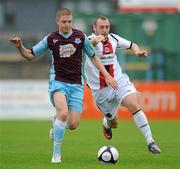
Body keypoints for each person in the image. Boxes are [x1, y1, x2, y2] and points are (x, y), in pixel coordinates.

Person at [10, 9, 118, 163]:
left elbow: (94, 57)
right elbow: (30, 55)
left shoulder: (80, 37)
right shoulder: (51, 39)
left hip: (76, 85)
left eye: (69, 22)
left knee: (73, 124)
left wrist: (106, 75)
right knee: (63, 113)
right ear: (57, 21)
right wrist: (19, 46)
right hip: (58, 82)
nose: (67, 25)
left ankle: (56, 124)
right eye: (64, 22)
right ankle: (56, 152)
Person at [84, 16, 161, 154]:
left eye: (107, 27)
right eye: (101, 27)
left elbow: (132, 44)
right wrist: (96, 40)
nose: (105, 30)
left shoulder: (114, 39)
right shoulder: (89, 40)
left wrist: (137, 51)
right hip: (100, 90)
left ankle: (151, 142)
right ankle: (106, 123)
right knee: (114, 123)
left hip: (118, 81)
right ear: (94, 28)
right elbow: (91, 45)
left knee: (134, 105)